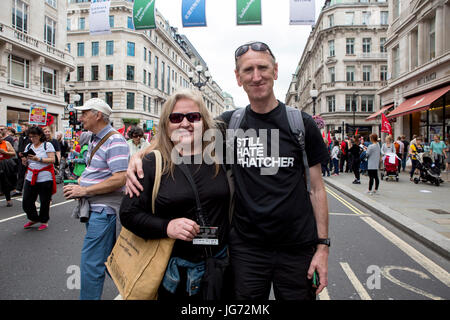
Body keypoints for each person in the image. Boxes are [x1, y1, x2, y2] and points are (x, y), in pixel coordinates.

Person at [127, 41, 330, 300]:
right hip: (246, 251)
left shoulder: (301, 124)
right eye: (248, 70)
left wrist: (322, 248)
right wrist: (141, 155)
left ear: (275, 71)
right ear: (238, 77)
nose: (256, 76)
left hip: (297, 249)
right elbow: (181, 131)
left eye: (262, 68)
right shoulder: (228, 125)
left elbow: (317, 190)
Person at [120, 89, 230, 300]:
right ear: (166, 124)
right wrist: (167, 227)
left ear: (204, 122)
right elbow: (128, 214)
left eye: (193, 117)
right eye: (176, 117)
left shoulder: (220, 156)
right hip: (176, 274)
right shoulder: (152, 163)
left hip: (221, 267)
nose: (185, 123)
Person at [63, 98, 129, 300]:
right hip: (96, 208)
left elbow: (120, 178)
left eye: (85, 113)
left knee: (91, 263)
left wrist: (84, 190)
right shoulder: (93, 138)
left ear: (98, 115)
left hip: (104, 210)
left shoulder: (115, 140)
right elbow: (99, 170)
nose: (81, 117)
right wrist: (83, 179)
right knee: (110, 260)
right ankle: (136, 290)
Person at [22, 126, 56, 231]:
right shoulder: (28, 146)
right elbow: (26, 162)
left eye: (34, 136)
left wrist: (39, 159)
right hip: (30, 176)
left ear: (40, 136)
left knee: (44, 201)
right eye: (30, 137)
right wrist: (24, 160)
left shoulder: (47, 145)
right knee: (26, 201)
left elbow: (52, 159)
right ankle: (33, 218)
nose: (32, 139)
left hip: (45, 177)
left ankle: (44, 220)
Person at [0, 133, 17, 207]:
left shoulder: (6, 143)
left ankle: (8, 200)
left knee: (5, 182)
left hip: (4, 163)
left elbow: (13, 153)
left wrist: (5, 152)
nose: (1, 139)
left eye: (1, 137)